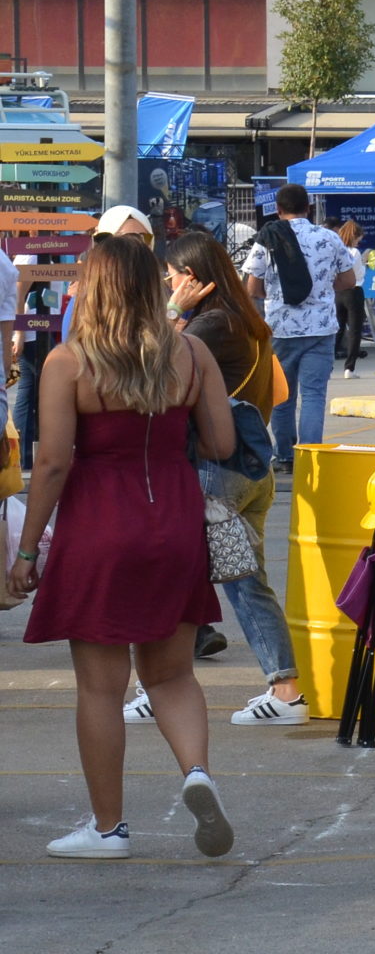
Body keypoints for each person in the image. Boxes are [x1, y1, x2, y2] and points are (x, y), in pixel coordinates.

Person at [10, 235, 240, 860]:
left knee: (100, 688)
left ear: (96, 287)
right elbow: (220, 442)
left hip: (99, 525)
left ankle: (108, 827)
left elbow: (53, 463)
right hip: (174, 517)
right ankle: (196, 771)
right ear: (150, 286)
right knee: (171, 674)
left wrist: (27, 553)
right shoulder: (191, 354)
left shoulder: (69, 362)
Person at [158, 232, 303, 727]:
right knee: (204, 575)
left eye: (172, 276)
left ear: (192, 279)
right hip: (245, 467)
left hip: (219, 472)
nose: (167, 283)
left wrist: (171, 311)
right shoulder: (242, 319)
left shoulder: (211, 325)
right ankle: (158, 684)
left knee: (236, 580)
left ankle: (284, 690)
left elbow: (153, 367)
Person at [242, 182, 361, 461]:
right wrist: (321, 289)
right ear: (308, 208)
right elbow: (348, 281)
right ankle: (309, 456)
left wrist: (273, 294)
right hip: (321, 329)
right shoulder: (329, 238)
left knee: (283, 395)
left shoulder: (267, 238)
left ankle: (284, 456)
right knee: (314, 395)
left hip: (281, 329)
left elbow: (252, 287)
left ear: (279, 209)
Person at [333, 218, 369, 375]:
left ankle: (330, 362)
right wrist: (364, 261)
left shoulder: (336, 250)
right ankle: (349, 367)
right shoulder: (354, 252)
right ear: (354, 236)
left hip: (337, 292)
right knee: (355, 330)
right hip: (354, 291)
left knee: (338, 328)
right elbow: (359, 274)